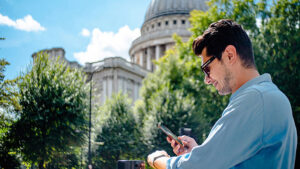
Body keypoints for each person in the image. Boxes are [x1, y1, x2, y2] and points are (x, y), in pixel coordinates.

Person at [147, 19, 297, 169]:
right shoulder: (270, 96)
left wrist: (159, 160)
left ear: (230, 55)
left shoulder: (254, 100)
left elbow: (197, 167)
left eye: (207, 68)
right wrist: (200, 153)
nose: (206, 80)